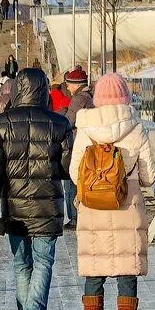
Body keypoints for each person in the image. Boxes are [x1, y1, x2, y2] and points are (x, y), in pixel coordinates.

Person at [0, 68, 73, 310]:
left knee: (22, 262)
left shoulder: (0, 124)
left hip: (14, 206)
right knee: (44, 261)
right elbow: (68, 169)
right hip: (48, 206)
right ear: (44, 89)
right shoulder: (59, 124)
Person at [70, 73, 155, 310]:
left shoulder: (86, 128)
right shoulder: (136, 127)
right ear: (125, 97)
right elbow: (149, 176)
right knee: (126, 272)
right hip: (126, 209)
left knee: (94, 272)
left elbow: (74, 173)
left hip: (92, 208)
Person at [60, 66, 93, 226]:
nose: (67, 87)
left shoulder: (79, 99)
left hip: (76, 145)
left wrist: (63, 112)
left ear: (76, 84)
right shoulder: (89, 96)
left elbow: (68, 122)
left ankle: (74, 218)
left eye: (69, 84)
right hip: (88, 145)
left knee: (71, 181)